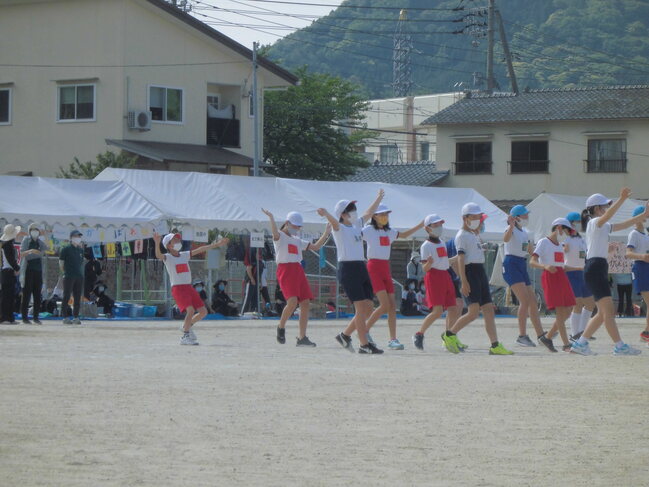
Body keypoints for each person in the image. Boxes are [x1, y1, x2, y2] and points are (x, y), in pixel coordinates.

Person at [571, 189, 647, 356]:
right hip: (595, 267)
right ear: (597, 208)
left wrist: (644, 215)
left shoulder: (602, 224)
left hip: (597, 268)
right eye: (604, 206)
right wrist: (621, 199)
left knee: (603, 313)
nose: (606, 208)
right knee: (608, 311)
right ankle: (619, 346)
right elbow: (609, 216)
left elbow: (625, 224)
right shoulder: (595, 221)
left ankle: (581, 344)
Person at [317, 189, 385, 354]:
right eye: (350, 209)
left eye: (353, 208)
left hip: (361, 267)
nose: (354, 211)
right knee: (360, 308)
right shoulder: (338, 228)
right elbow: (334, 223)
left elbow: (368, 213)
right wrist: (326, 213)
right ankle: (364, 344)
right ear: (342, 214)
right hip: (348, 268)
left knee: (368, 307)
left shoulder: (357, 225)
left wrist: (378, 198)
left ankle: (345, 335)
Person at [441, 203, 513, 355]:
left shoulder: (474, 235)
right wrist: (464, 280)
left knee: (488, 310)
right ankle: (449, 335)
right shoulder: (461, 235)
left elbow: (468, 255)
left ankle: (495, 345)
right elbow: (461, 259)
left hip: (479, 271)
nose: (478, 220)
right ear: (465, 218)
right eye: (474, 217)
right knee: (473, 312)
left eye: (478, 217)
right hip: (470, 273)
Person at [262, 208, 331, 346]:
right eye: (295, 226)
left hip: (298, 270)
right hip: (285, 270)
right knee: (292, 302)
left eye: (299, 226)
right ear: (287, 223)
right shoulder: (280, 236)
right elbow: (275, 233)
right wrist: (271, 218)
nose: (297, 229)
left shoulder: (297, 240)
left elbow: (316, 246)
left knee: (305, 303)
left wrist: (326, 233)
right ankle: (281, 327)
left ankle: (302, 337)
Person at [362, 203, 423, 350]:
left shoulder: (389, 231)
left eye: (386, 214)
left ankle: (392, 339)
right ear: (374, 216)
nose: (384, 217)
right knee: (384, 305)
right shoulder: (368, 230)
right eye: (381, 214)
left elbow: (404, 235)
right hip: (373, 267)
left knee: (392, 306)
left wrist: (420, 225)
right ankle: (363, 330)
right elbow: (353, 233)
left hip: (385, 267)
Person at [153, 232, 229, 345]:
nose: (178, 241)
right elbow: (159, 255)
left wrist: (217, 244)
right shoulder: (167, 257)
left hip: (188, 287)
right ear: (169, 245)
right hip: (178, 289)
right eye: (175, 240)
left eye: (178, 239)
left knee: (203, 312)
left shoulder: (184, 255)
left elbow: (202, 248)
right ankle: (185, 336)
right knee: (191, 310)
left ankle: (186, 326)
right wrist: (157, 242)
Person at [502, 205, 550, 348]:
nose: (527, 218)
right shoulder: (511, 230)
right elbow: (505, 239)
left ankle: (540, 334)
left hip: (521, 264)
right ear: (516, 218)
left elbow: (530, 250)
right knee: (525, 301)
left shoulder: (524, 232)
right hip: (511, 264)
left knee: (533, 300)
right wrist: (510, 226)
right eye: (524, 216)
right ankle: (522, 336)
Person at [530, 218, 576, 352]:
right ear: (559, 228)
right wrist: (545, 266)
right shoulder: (544, 242)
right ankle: (566, 344)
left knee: (568, 310)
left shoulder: (560, 245)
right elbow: (532, 261)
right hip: (550, 276)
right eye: (567, 230)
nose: (567, 234)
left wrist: (578, 268)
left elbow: (560, 265)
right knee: (561, 311)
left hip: (561, 275)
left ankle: (548, 337)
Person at [413, 214, 458, 351]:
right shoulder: (425, 245)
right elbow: (425, 268)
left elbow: (445, 262)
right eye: (435, 225)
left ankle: (449, 336)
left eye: (440, 224)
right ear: (427, 228)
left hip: (445, 275)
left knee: (453, 308)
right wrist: (429, 263)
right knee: (437, 311)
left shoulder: (442, 242)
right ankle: (419, 334)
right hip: (433, 277)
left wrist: (458, 257)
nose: (439, 227)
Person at [564, 212, 596, 341]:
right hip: (571, 272)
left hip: (582, 273)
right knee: (577, 304)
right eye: (576, 222)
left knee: (590, 303)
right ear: (570, 224)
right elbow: (562, 252)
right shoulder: (565, 239)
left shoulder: (582, 238)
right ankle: (574, 334)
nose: (578, 224)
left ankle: (583, 331)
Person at [625, 205, 649, 342]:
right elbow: (628, 253)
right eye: (645, 214)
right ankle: (646, 332)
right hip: (640, 267)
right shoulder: (633, 234)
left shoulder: (645, 232)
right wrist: (642, 257)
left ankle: (646, 331)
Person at [20, 223, 46, 324]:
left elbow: (47, 248)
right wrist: (31, 251)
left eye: (36, 229)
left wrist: (45, 235)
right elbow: (22, 253)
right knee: (26, 294)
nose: (34, 231)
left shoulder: (40, 242)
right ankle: (24, 317)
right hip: (28, 270)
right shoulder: (26, 239)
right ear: (29, 230)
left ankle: (36, 317)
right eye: (32, 229)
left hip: (38, 271)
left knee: (37, 295)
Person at [58, 229, 85, 325]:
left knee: (77, 297)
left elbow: (81, 262)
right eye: (76, 236)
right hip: (69, 276)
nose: (78, 238)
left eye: (79, 236)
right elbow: (61, 263)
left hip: (79, 276)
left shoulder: (80, 250)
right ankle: (65, 316)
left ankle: (76, 317)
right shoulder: (65, 249)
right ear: (71, 238)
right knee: (66, 296)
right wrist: (65, 272)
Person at [0, 224, 21, 324]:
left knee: (11, 296)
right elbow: (10, 259)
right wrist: (17, 268)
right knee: (6, 296)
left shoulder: (8, 244)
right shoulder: (7, 245)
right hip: (7, 272)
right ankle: (4, 317)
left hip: (8, 272)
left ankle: (10, 317)